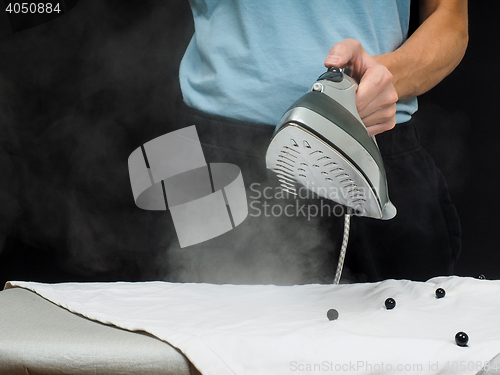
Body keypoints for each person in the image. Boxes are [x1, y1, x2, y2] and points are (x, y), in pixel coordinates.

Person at [172, 0, 468, 284]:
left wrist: (387, 75)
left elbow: (450, 19)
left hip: (369, 147)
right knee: (212, 325)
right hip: (220, 152)